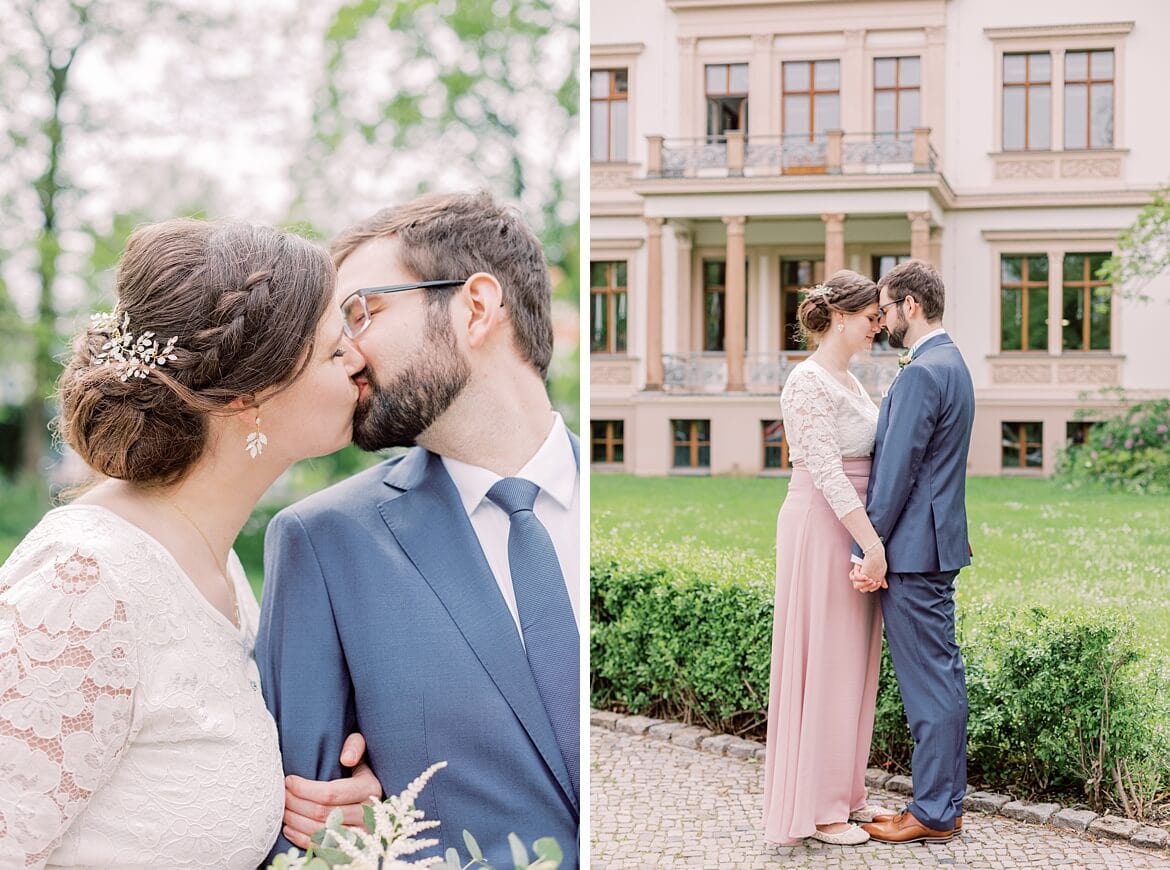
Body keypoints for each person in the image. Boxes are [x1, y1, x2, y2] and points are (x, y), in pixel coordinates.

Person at [0, 219, 384, 868]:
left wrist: (320, 808)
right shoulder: (85, 586)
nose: (358, 358)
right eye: (331, 349)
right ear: (247, 398)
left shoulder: (215, 564)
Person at [256, 191, 580, 868]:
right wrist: (346, 832)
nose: (344, 354)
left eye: (361, 312)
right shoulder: (321, 543)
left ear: (475, 307)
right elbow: (300, 832)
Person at [762, 269, 893, 847]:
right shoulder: (806, 382)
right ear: (841, 316)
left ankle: (845, 791)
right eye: (871, 320)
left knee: (853, 664)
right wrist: (871, 542)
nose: (878, 329)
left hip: (854, 526)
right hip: (826, 524)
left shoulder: (850, 379)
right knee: (826, 662)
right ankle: (816, 809)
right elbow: (826, 470)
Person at [852, 259, 975, 844]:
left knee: (930, 684)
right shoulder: (953, 363)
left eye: (888, 307)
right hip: (935, 543)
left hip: (912, 552)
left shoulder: (925, 372)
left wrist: (868, 542)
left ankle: (930, 811)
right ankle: (942, 805)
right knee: (942, 677)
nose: (885, 319)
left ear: (912, 306)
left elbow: (897, 470)